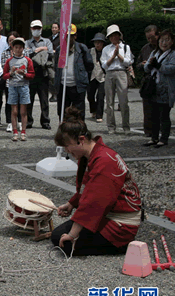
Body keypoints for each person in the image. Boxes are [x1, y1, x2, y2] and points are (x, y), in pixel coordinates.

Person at [51, 107, 142, 256]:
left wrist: (73, 235)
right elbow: (89, 189)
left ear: (81, 140)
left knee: (63, 241)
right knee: (60, 233)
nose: (68, 152)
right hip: (109, 213)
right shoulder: (95, 152)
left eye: (67, 147)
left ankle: (121, 245)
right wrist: (72, 203)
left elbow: (93, 202)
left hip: (120, 225)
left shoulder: (104, 161)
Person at [53, 24, 93, 121]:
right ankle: (64, 132)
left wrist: (83, 78)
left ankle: (79, 132)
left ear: (75, 36)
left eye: (71, 36)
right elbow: (56, 67)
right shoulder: (59, 49)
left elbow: (89, 65)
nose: (68, 38)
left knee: (79, 112)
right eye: (66, 36)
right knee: (62, 112)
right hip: (63, 86)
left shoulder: (82, 48)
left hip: (78, 86)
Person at [143, 29, 175, 148]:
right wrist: (150, 65)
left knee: (164, 115)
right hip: (154, 88)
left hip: (166, 89)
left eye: (167, 40)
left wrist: (158, 65)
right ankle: (154, 137)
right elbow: (146, 68)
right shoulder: (155, 52)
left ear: (172, 42)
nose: (164, 43)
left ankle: (164, 138)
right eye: (162, 40)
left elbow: (171, 69)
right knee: (153, 115)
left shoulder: (173, 54)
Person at [100, 24, 133, 135]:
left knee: (123, 101)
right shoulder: (106, 49)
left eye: (116, 35)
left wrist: (118, 55)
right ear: (109, 38)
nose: (114, 38)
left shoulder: (125, 47)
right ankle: (111, 127)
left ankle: (126, 127)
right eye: (111, 36)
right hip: (109, 74)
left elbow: (128, 62)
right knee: (109, 102)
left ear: (119, 36)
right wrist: (113, 56)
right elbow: (104, 65)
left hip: (121, 73)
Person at [2, 37, 34, 142]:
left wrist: (24, 74)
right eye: (16, 47)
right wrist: (11, 73)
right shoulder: (9, 61)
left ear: (23, 48)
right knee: (14, 111)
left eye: (20, 47)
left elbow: (32, 75)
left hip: (24, 86)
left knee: (23, 111)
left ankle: (23, 132)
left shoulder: (27, 60)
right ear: (12, 49)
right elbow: (4, 75)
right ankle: (15, 132)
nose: (18, 49)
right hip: (12, 86)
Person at [25, 20, 53, 130]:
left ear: (41, 29)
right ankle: (28, 121)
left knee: (44, 100)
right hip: (31, 74)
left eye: (38, 28)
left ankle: (45, 121)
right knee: (29, 99)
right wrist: (42, 51)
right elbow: (27, 54)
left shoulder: (47, 41)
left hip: (44, 73)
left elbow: (51, 52)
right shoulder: (27, 42)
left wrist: (41, 49)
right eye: (34, 28)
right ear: (31, 29)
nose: (36, 30)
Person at [137, 25, 159, 137]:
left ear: (157, 35)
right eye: (148, 38)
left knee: (160, 108)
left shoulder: (164, 47)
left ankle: (160, 130)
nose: (150, 40)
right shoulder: (145, 48)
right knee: (147, 108)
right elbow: (138, 64)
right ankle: (148, 131)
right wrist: (142, 64)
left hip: (160, 81)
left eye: (152, 37)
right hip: (148, 81)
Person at [1, 31, 23, 133]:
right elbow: (3, 67)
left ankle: (19, 121)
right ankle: (9, 122)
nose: (11, 42)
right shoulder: (5, 53)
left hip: (21, 81)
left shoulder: (24, 52)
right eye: (10, 41)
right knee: (10, 102)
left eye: (13, 40)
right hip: (9, 81)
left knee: (20, 102)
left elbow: (25, 66)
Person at [87, 33, 107, 123]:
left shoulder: (106, 51)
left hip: (103, 76)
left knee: (100, 96)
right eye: (96, 42)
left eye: (99, 42)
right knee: (90, 95)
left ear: (103, 43)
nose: (97, 44)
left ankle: (99, 115)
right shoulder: (90, 51)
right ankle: (93, 110)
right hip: (92, 76)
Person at [49, 22, 60, 102]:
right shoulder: (49, 39)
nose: (54, 29)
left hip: (58, 59)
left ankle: (56, 94)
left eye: (55, 28)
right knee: (51, 77)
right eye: (53, 27)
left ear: (59, 29)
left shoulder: (60, 38)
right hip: (50, 59)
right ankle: (53, 94)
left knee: (56, 76)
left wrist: (55, 51)